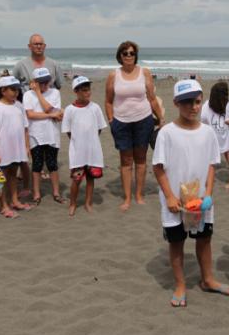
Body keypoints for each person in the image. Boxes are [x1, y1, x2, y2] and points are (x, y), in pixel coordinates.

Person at [152, 80, 229, 308]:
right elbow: (158, 167)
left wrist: (208, 193)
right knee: (177, 242)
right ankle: (180, 285)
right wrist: (168, 196)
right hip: (176, 202)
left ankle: (207, 279)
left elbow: (211, 164)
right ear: (177, 103)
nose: (193, 107)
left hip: (201, 202)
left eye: (197, 102)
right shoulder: (166, 133)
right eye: (187, 102)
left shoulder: (207, 132)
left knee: (204, 239)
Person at [105, 41, 164, 211]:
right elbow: (108, 101)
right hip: (121, 122)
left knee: (140, 159)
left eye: (131, 53)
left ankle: (138, 195)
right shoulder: (113, 75)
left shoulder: (144, 72)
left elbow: (152, 98)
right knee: (125, 161)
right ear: (120, 56)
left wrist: (160, 117)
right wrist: (111, 120)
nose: (129, 56)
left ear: (135, 55)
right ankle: (127, 198)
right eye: (125, 53)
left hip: (143, 120)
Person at [0, 76, 32, 218]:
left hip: (16, 148)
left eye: (17, 89)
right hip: (3, 148)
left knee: (13, 175)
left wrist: (26, 146)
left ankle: (14, 201)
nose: (16, 92)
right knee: (2, 177)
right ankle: (4, 205)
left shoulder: (19, 105)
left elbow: (25, 128)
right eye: (12, 89)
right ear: (3, 90)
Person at [62, 76, 108, 217]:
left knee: (90, 178)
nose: (87, 93)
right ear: (76, 91)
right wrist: (78, 141)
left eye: (88, 90)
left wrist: (91, 140)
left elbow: (99, 128)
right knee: (76, 179)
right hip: (77, 151)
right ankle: (73, 204)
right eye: (83, 90)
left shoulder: (95, 107)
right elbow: (68, 131)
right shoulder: (70, 110)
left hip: (93, 149)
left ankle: (88, 203)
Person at [23, 67, 64, 204]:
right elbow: (30, 115)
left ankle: (56, 193)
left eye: (46, 81)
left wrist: (39, 94)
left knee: (52, 164)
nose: (44, 84)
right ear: (34, 82)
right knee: (37, 165)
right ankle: (36, 194)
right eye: (41, 82)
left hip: (52, 134)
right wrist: (51, 115)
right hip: (35, 134)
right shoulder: (28, 95)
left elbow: (49, 109)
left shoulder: (55, 93)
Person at [200, 80, 229, 161]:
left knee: (210, 160)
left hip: (212, 139)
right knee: (227, 152)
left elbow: (203, 121)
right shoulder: (228, 105)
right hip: (221, 138)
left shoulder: (206, 106)